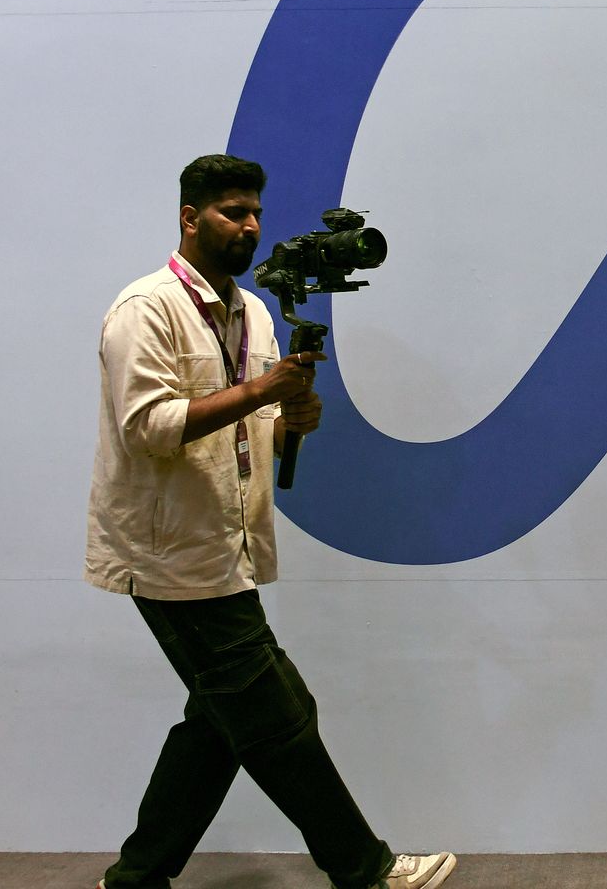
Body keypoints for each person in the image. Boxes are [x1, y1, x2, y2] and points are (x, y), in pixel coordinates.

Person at [85, 155, 456, 889]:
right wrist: (262, 390)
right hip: (170, 557)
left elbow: (250, 433)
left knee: (220, 725)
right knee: (278, 720)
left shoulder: (252, 310)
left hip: (230, 549)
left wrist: (292, 421)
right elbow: (149, 428)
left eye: (254, 211)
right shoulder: (146, 309)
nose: (249, 225)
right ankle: (366, 870)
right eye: (231, 212)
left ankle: (134, 879)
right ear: (190, 219)